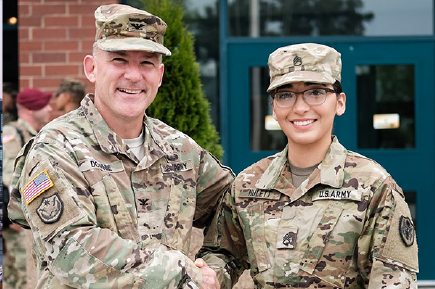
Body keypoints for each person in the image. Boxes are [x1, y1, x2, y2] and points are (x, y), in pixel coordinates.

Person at [7, 4, 233, 289]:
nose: (134, 76)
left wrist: (215, 271)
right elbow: (72, 251)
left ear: (160, 76)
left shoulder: (179, 149)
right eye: (119, 60)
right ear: (91, 68)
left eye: (147, 63)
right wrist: (184, 273)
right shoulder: (56, 147)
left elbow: (234, 211)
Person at [197, 43, 418, 288]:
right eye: (285, 95)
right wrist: (211, 276)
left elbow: (393, 282)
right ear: (274, 107)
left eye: (315, 92)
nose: (300, 107)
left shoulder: (374, 187)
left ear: (340, 103)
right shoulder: (248, 185)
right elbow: (223, 254)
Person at [2, 88, 53, 289]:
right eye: (43, 104)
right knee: (22, 277)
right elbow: (10, 177)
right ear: (30, 109)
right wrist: (19, 212)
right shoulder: (12, 133)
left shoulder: (40, 133)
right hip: (19, 218)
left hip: (33, 216)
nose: (50, 108)